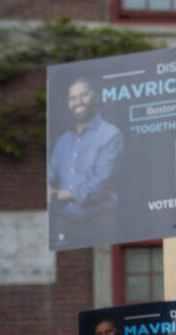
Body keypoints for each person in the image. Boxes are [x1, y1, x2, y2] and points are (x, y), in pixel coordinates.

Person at [48, 76, 123, 246]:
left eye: (84, 95)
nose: (78, 102)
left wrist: (59, 194)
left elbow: (102, 182)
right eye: (72, 98)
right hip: (64, 222)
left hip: (99, 223)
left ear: (95, 97)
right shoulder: (63, 141)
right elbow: (50, 171)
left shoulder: (110, 135)